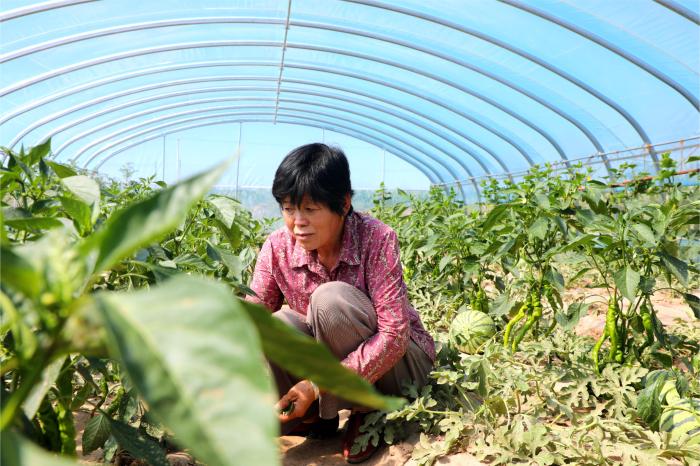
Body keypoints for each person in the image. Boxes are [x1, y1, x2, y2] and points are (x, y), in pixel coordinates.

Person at [246, 143, 435, 463]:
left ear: (344, 204)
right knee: (275, 323)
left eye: (310, 209)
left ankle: (367, 411)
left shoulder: (375, 238)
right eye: (289, 208)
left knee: (329, 300)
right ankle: (313, 419)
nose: (297, 222)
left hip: (402, 369)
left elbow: (394, 336)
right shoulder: (278, 246)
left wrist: (318, 384)